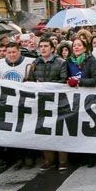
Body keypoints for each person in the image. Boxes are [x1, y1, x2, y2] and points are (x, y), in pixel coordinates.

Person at [28, 38, 68, 171]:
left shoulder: (61, 62)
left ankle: (62, 161)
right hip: (41, 102)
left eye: (46, 46)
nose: (43, 48)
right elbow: (30, 80)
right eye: (41, 46)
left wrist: (46, 85)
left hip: (57, 101)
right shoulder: (35, 63)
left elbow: (64, 80)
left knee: (59, 130)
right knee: (43, 130)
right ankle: (49, 160)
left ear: (52, 49)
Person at [66, 36, 96, 167]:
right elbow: (64, 77)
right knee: (76, 127)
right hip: (74, 100)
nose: (76, 47)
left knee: (88, 127)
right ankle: (78, 156)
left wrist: (79, 82)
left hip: (88, 100)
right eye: (74, 45)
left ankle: (91, 156)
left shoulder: (91, 60)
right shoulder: (68, 62)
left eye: (79, 45)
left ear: (85, 48)